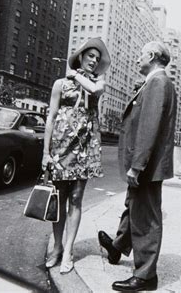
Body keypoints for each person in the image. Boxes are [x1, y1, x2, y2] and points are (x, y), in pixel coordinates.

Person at [98, 41, 176, 291]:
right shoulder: (155, 83)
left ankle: (145, 275)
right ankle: (118, 247)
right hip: (147, 165)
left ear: (151, 56)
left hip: (147, 166)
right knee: (134, 206)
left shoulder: (158, 83)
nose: (136, 58)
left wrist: (137, 166)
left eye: (140, 54)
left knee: (146, 218)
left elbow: (148, 128)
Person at [41, 38, 110, 274]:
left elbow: (94, 90)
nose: (94, 61)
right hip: (61, 146)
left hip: (84, 147)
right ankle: (57, 247)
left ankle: (69, 251)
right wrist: (45, 152)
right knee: (58, 199)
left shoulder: (97, 82)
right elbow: (50, 117)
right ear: (80, 56)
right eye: (90, 56)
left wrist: (75, 75)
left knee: (76, 199)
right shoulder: (60, 84)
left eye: (97, 59)